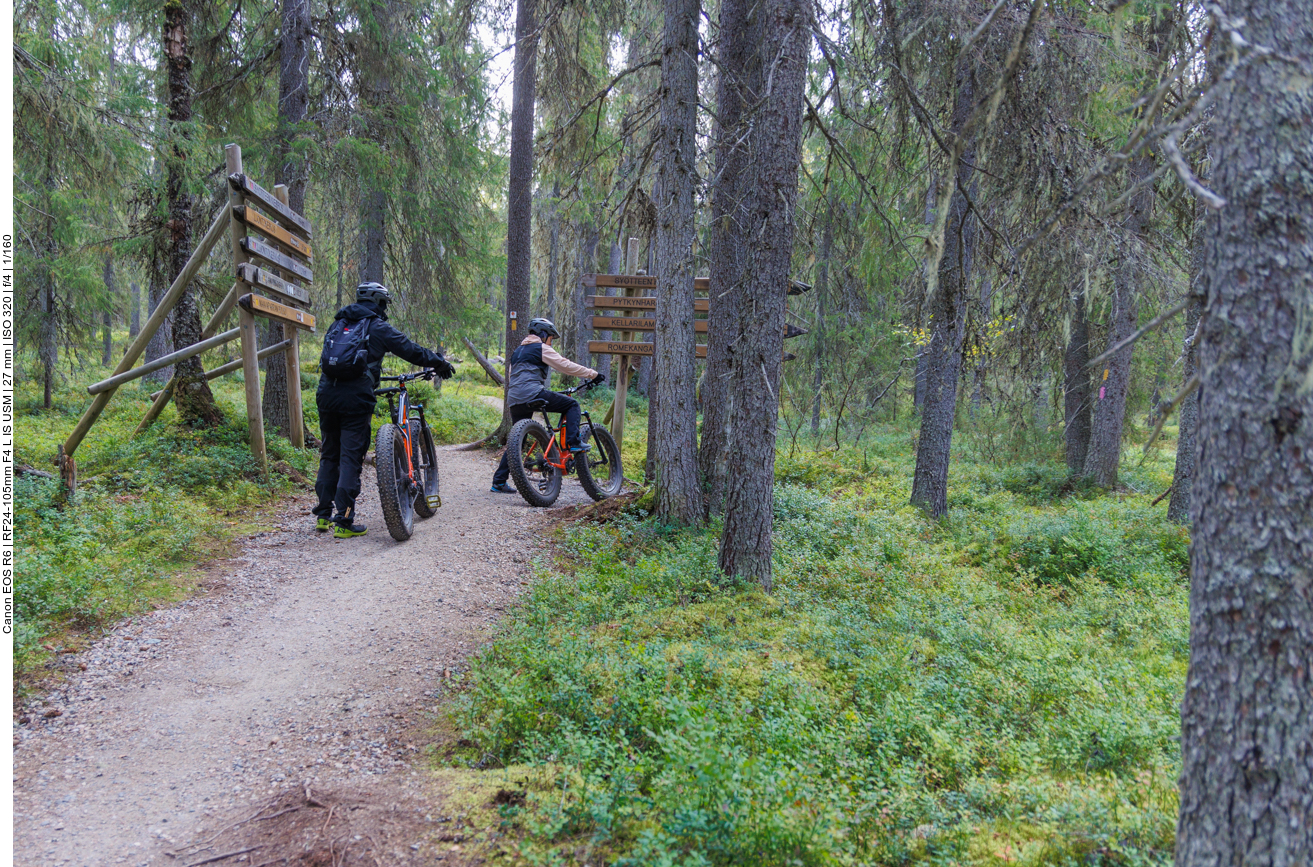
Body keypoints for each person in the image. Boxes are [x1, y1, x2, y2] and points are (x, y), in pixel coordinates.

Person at [314, 282, 454, 537]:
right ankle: (344, 522)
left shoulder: (338, 324)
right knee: (350, 458)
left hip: (326, 395)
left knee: (329, 453)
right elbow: (410, 350)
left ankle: (323, 515)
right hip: (355, 398)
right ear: (379, 302)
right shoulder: (376, 326)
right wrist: (439, 362)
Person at [490, 317, 605, 493]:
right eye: (551, 338)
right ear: (543, 335)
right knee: (572, 405)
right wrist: (592, 374)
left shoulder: (517, 352)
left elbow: (513, 376)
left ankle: (498, 481)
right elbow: (565, 366)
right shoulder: (541, 348)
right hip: (532, 392)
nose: (551, 343)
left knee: (517, 440)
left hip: (514, 398)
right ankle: (574, 442)